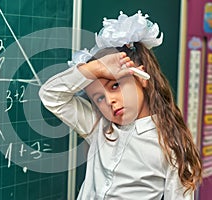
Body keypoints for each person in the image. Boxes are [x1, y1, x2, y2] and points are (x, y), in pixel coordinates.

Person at [39, 11, 202, 199]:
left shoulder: (171, 146)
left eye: (115, 85)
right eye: (99, 98)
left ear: (141, 77)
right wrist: (95, 68)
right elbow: (50, 95)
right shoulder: (98, 127)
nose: (109, 101)